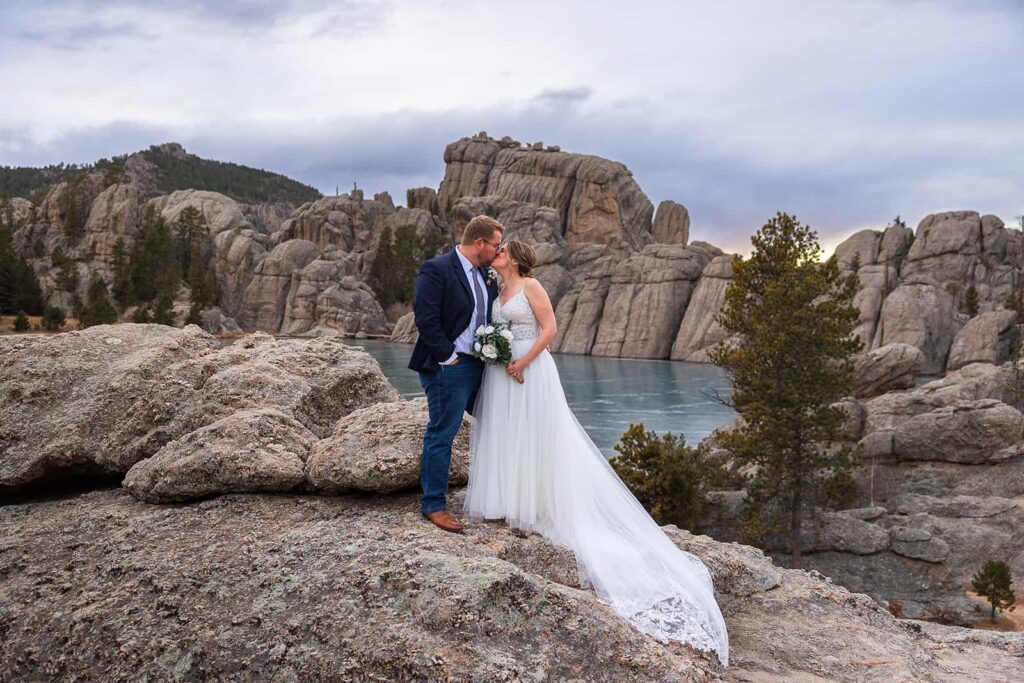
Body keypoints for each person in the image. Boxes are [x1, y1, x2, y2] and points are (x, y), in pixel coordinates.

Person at [463, 239, 730, 665]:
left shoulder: (532, 286)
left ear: (512, 257)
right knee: (508, 436)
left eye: (501, 250)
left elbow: (549, 331)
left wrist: (522, 361)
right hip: (503, 374)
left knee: (538, 437)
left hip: (530, 372)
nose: (495, 253)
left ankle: (541, 503)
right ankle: (510, 499)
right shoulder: (497, 291)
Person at [408, 215, 502, 533]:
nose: (498, 250)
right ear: (479, 243)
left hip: (480, 365)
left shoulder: (486, 275)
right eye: (495, 245)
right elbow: (426, 319)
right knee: (442, 433)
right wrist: (448, 358)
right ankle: (433, 505)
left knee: (497, 424)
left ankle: (495, 495)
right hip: (449, 367)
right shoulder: (437, 269)